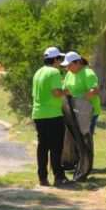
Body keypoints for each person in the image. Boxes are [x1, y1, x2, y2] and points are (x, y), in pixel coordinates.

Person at [32, 47, 71, 187]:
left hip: (38, 114)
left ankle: (42, 178)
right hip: (52, 115)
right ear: (55, 59)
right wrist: (65, 91)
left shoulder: (38, 72)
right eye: (59, 59)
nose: (59, 62)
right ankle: (59, 177)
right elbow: (55, 92)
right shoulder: (54, 72)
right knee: (56, 147)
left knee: (42, 146)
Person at [61, 51, 101, 135]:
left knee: (85, 136)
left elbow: (94, 91)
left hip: (88, 111)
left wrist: (81, 100)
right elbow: (65, 90)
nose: (68, 68)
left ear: (78, 63)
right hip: (74, 110)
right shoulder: (69, 74)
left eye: (70, 65)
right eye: (67, 66)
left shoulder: (88, 73)